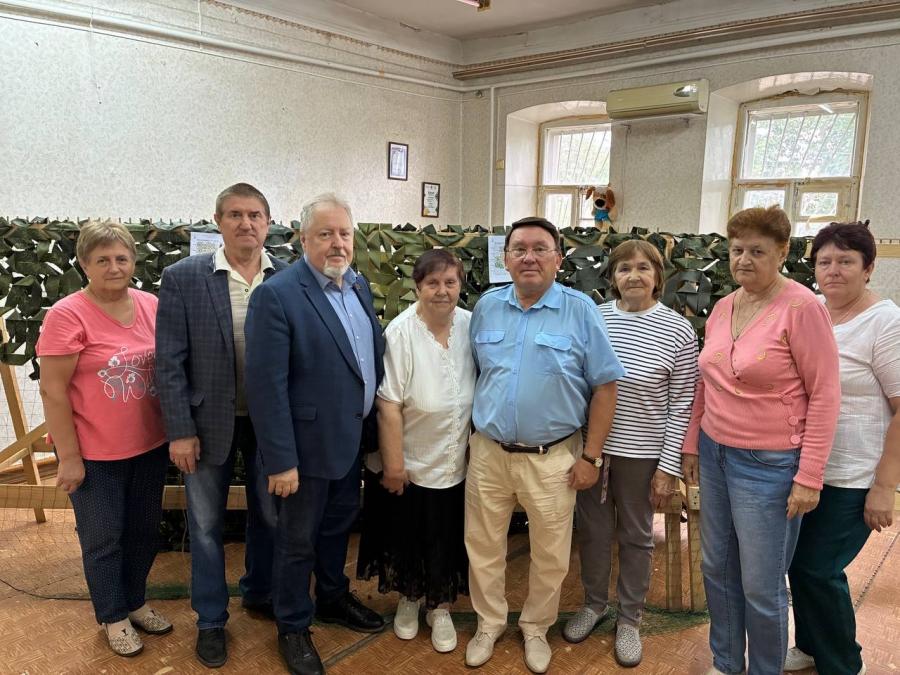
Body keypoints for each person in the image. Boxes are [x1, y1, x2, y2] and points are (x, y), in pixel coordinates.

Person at [681, 205, 841, 675]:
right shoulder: (725, 306)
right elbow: (706, 381)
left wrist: (809, 476)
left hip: (769, 465)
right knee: (716, 568)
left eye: (757, 251)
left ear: (783, 252)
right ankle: (726, 662)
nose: (744, 260)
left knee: (762, 585)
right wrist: (692, 442)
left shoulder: (802, 308)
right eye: (736, 250)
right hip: (715, 453)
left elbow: (826, 395)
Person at [464, 216, 625, 674]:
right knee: (482, 547)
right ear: (505, 258)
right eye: (519, 249)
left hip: (553, 458)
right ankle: (489, 623)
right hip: (489, 454)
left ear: (558, 259)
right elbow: (478, 374)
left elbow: (606, 387)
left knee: (551, 554)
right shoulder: (487, 308)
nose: (529, 257)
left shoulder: (580, 310)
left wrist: (591, 457)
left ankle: (535, 627)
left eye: (540, 249)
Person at [244, 193, 386, 675]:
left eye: (344, 233)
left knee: (336, 529)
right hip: (302, 453)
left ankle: (332, 598)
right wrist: (281, 461)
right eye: (325, 234)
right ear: (302, 239)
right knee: (295, 541)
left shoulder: (357, 286)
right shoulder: (277, 295)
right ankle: (292, 625)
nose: (337, 243)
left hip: (349, 443)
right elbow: (266, 387)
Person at [155, 183, 285, 668]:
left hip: (271, 425)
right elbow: (169, 362)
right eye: (235, 214)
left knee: (270, 516)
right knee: (207, 526)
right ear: (217, 221)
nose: (245, 223)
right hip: (206, 424)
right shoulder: (183, 278)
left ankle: (260, 592)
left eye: (254, 215)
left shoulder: (288, 277)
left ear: (268, 223)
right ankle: (210, 620)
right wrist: (179, 430)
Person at [37, 221, 171, 657]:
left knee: (144, 532)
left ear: (133, 261)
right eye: (102, 260)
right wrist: (68, 457)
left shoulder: (151, 305)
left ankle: (135, 602)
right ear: (84, 264)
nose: (114, 267)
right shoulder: (67, 315)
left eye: (121, 258)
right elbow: (53, 391)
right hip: (95, 455)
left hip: (150, 446)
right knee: (103, 539)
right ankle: (113, 616)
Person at [565, 240, 698, 666]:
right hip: (594, 450)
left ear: (658, 276)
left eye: (643, 267)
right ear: (612, 277)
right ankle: (593, 604)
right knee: (593, 532)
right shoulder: (595, 318)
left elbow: (682, 402)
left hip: (643, 455)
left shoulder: (678, 330)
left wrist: (667, 467)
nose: (634, 275)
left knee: (637, 537)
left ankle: (629, 620)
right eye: (624, 268)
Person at [785, 221, 900, 675]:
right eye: (824, 261)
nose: (833, 270)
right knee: (798, 564)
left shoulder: (885, 322)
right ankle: (811, 646)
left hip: (855, 475)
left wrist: (884, 486)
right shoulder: (812, 310)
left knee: (818, 568)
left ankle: (844, 664)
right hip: (808, 468)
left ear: (868, 268)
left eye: (846, 261)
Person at [356, 248, 475, 654]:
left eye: (450, 282)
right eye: (432, 283)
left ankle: (439, 608)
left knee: (444, 536)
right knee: (407, 533)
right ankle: (408, 599)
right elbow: (388, 403)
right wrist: (394, 465)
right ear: (417, 286)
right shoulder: (401, 332)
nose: (442, 291)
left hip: (454, 459)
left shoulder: (470, 326)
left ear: (460, 285)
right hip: (408, 459)